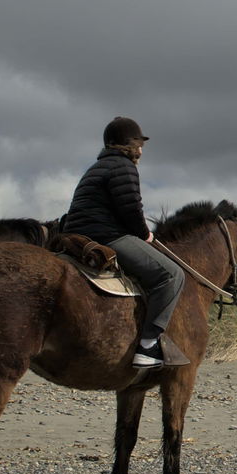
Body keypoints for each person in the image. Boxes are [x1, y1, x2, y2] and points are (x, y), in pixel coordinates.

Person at [62, 117, 185, 369]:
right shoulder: (124, 166)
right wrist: (145, 234)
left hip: (77, 233)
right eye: (138, 143)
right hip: (106, 234)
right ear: (129, 145)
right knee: (172, 275)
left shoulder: (97, 166)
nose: (141, 149)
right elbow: (130, 209)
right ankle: (148, 346)